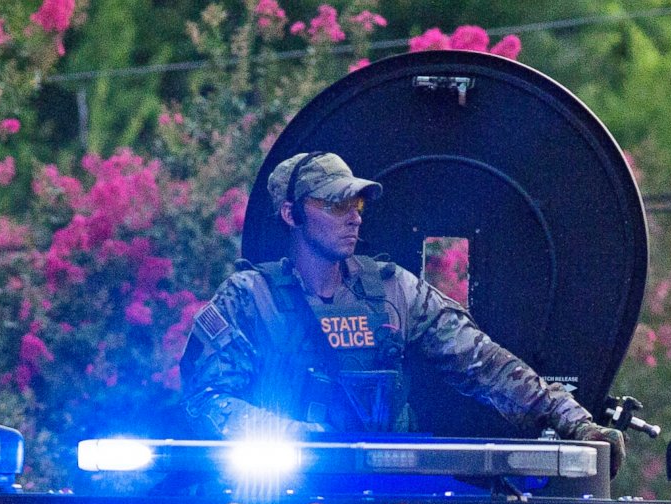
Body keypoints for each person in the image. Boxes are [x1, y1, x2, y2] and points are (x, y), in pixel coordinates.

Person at [180, 151, 621, 461]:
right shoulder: (248, 298)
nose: (354, 215)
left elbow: (484, 363)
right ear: (292, 215)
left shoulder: (393, 291)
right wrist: (299, 442)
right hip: (281, 503)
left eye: (355, 203)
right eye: (334, 204)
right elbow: (207, 400)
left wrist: (574, 420)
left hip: (389, 495)